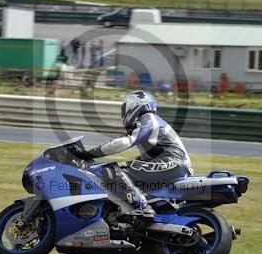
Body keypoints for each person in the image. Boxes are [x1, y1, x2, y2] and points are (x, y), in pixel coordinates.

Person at [77, 90, 192, 219]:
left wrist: (88, 153)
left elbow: (123, 143)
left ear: (135, 105)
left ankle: (142, 208)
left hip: (173, 163)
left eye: (124, 108)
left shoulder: (148, 119)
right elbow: (145, 157)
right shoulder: (153, 123)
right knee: (127, 172)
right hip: (174, 165)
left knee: (113, 170)